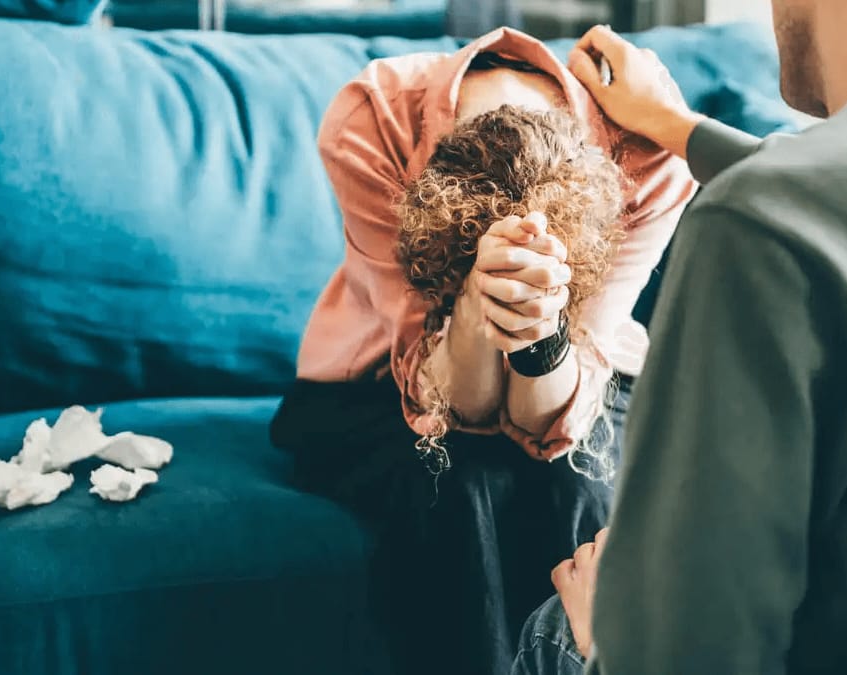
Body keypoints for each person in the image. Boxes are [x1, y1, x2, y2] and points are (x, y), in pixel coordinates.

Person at [513, 1, 847, 672]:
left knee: (557, 630)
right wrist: (676, 128)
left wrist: (601, 644)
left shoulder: (765, 225)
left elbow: (687, 653)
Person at [268, 27, 695, 675]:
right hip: (386, 380)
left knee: (575, 477)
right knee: (454, 483)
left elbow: (545, 424)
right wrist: (474, 302)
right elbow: (453, 407)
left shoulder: (646, 147)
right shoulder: (374, 119)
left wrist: (542, 334)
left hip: (585, 379)